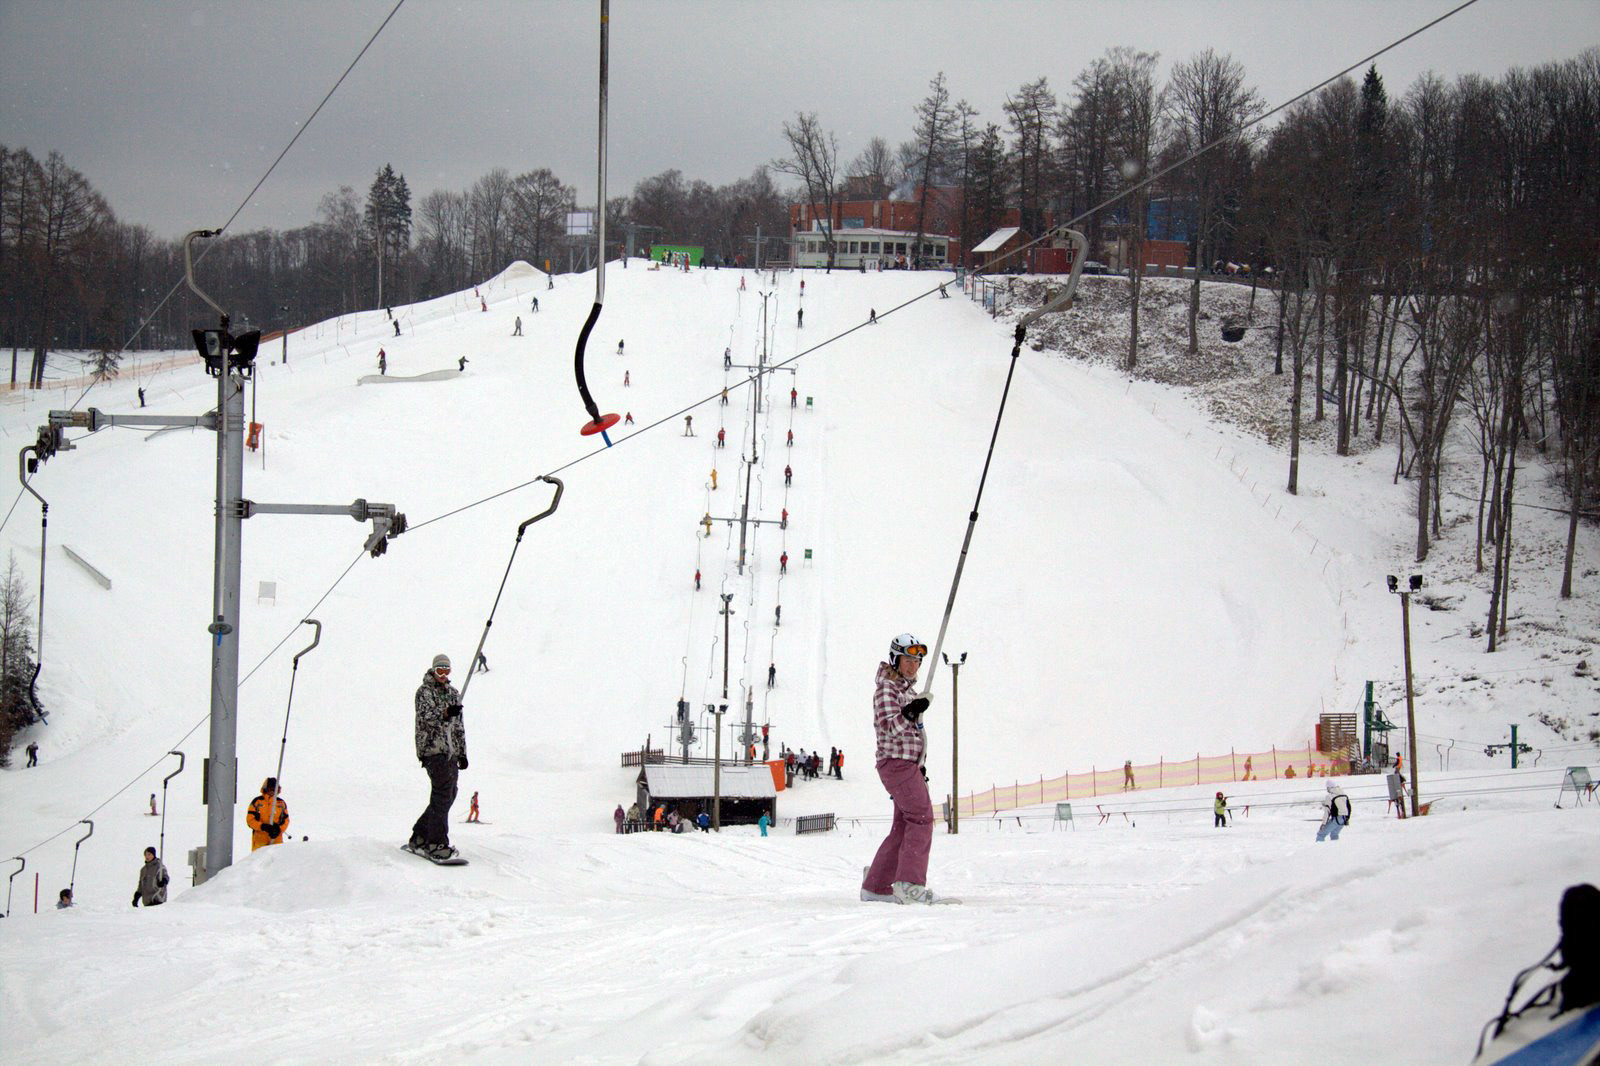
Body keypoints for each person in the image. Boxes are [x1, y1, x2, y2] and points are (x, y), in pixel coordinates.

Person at [861, 633, 943, 904]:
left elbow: (911, 732)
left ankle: (877, 885)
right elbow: (889, 728)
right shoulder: (887, 689)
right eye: (908, 660)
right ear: (895, 659)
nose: (913, 666)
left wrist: (919, 763)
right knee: (921, 818)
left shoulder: (906, 691)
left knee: (903, 825)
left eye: (917, 661)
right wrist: (910, 710)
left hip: (908, 765)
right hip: (895, 764)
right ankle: (910, 885)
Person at [409, 653, 467, 862]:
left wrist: (462, 753)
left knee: (450, 793)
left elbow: (458, 726)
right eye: (439, 670)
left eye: (446, 670)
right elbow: (426, 718)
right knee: (442, 792)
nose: (442, 674)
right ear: (433, 670)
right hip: (432, 749)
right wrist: (445, 713)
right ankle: (436, 843)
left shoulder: (453, 693)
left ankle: (420, 835)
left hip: (450, 750)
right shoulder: (424, 692)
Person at [246, 777, 290, 851]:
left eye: (274, 789)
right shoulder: (257, 802)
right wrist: (263, 827)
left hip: (276, 841)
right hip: (260, 841)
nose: (272, 791)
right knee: (260, 858)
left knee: (275, 858)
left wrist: (279, 829)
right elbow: (250, 821)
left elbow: (286, 820)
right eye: (270, 789)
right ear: (266, 789)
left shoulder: (281, 803)